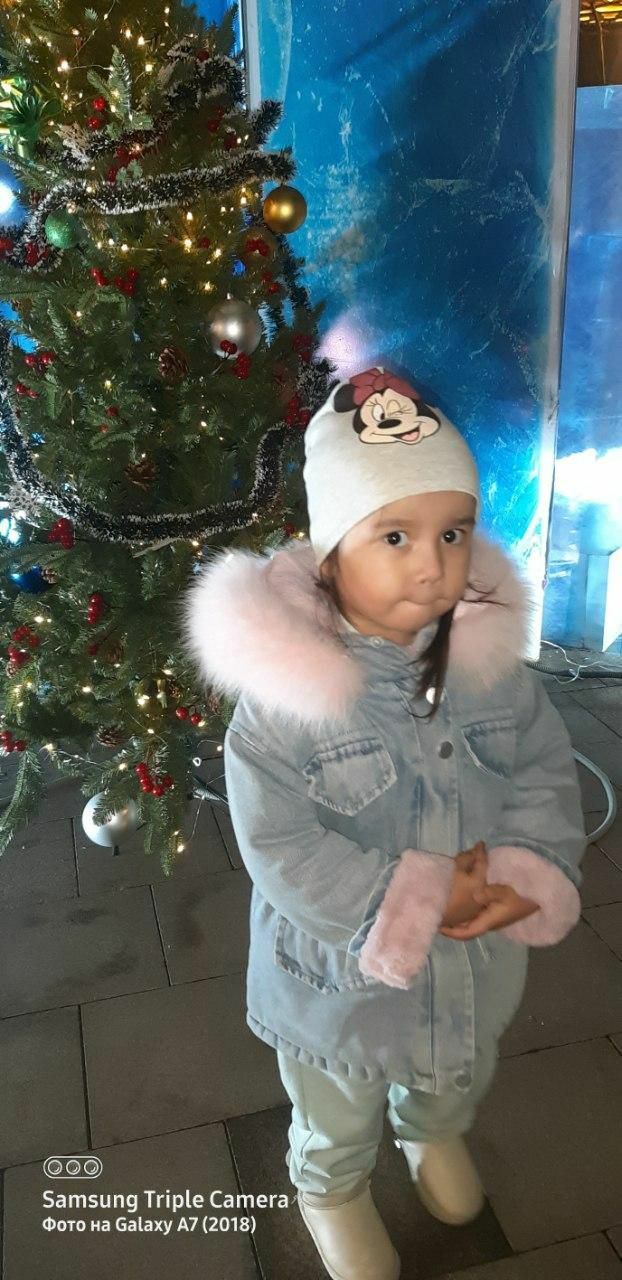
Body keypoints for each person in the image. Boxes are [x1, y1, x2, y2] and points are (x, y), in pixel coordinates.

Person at [182, 365, 586, 1280]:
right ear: (331, 550)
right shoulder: (288, 701)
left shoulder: (492, 670)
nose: (432, 564)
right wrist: (416, 899)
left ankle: (431, 1128)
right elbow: (279, 845)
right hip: (341, 986)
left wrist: (528, 867)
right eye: (394, 535)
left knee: (460, 1065)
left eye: (453, 532)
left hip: (474, 964)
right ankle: (330, 1186)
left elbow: (544, 772)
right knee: (338, 1103)